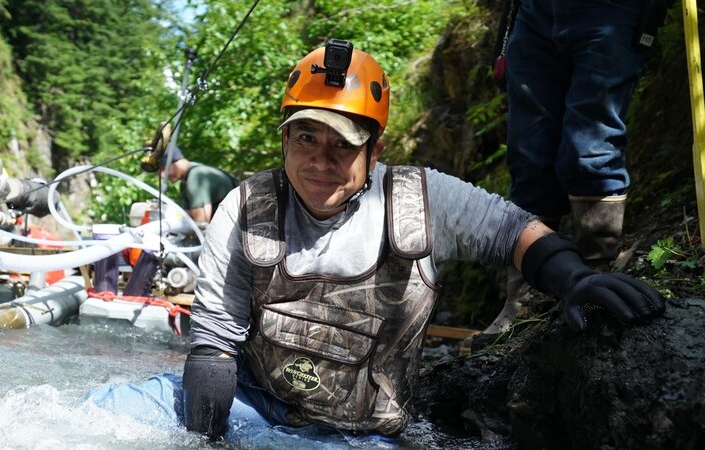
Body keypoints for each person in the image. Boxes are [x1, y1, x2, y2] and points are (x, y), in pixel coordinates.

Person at [86, 40, 664, 441]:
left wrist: (576, 278)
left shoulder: (423, 198)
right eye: (305, 138)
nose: (319, 161)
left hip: (354, 434)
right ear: (284, 140)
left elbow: (514, 231)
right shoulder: (243, 205)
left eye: (341, 144)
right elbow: (214, 341)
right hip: (250, 401)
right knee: (89, 420)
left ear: (375, 150)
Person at [484, 0, 674, 334]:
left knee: (590, 150)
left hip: (612, 11)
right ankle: (523, 300)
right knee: (529, 157)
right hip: (534, 11)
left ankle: (595, 281)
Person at [161, 145, 239, 223]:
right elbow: (188, 219)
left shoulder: (196, 176)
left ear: (177, 161)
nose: (162, 175)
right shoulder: (185, 183)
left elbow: (201, 224)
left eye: (164, 168)